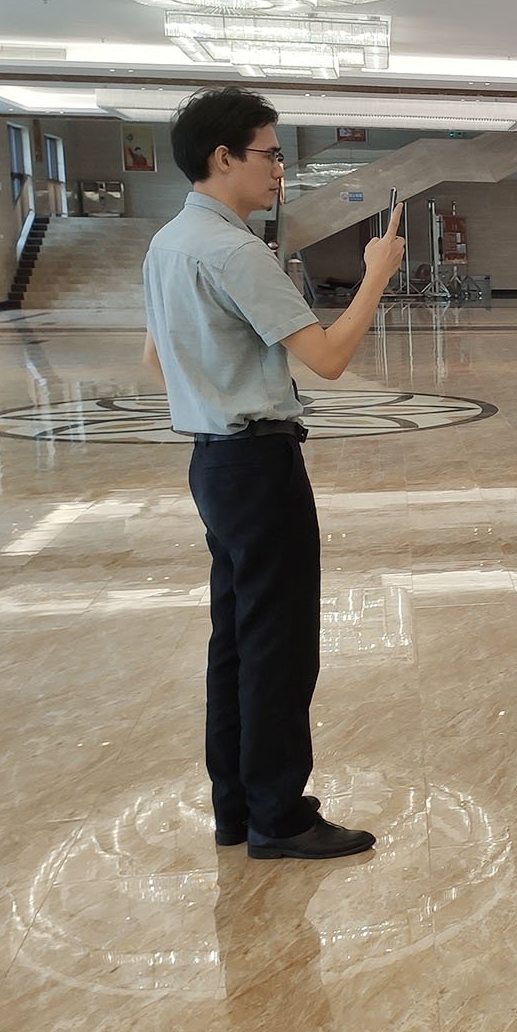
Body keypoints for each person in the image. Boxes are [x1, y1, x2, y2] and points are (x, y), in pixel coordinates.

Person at [140, 86, 403, 860]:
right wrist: (377, 272)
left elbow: (156, 360)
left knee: (236, 640)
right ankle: (280, 818)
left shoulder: (168, 244)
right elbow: (328, 358)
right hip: (258, 463)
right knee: (279, 646)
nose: (280, 169)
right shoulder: (234, 250)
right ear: (224, 158)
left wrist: (213, 384)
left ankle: (239, 807)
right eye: (271, 154)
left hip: (212, 460)